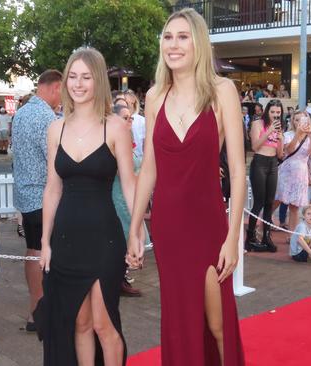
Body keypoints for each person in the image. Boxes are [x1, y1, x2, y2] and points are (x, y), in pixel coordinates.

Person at [127, 8, 246, 365]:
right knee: (179, 320)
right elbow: (149, 168)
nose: (173, 45)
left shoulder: (222, 91)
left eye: (182, 37)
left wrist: (232, 238)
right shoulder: (154, 97)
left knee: (217, 322)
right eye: (168, 37)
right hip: (168, 227)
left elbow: (238, 172)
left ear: (198, 43)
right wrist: (135, 228)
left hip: (208, 225)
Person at [35, 48, 138, 365]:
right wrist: (44, 242)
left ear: (98, 82)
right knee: (77, 323)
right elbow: (52, 188)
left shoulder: (116, 127)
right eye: (73, 77)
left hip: (104, 239)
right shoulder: (56, 129)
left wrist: (136, 232)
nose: (78, 84)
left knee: (102, 324)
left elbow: (130, 184)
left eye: (86, 77)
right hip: (65, 238)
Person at [11, 69, 62, 332]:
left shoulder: (21, 113)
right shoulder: (46, 117)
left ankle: (35, 311)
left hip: (25, 194)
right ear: (54, 87)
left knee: (32, 252)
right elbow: (56, 159)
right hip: (43, 195)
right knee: (41, 253)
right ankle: (41, 313)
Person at [112, 104, 147, 297]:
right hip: (118, 196)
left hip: (129, 195)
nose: (130, 121)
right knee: (122, 238)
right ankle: (119, 280)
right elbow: (122, 172)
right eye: (126, 117)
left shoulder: (129, 138)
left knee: (129, 237)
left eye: (131, 117)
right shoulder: (114, 139)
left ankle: (122, 278)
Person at [247, 99, 285, 252]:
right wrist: (269, 131)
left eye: (278, 113)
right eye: (273, 112)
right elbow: (255, 146)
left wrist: (281, 140)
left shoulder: (279, 127)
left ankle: (266, 237)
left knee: (270, 202)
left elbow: (280, 154)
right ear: (267, 111)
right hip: (260, 162)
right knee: (259, 202)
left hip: (273, 163)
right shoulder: (258, 124)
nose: (275, 115)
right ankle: (250, 238)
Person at [275, 111, 311, 231]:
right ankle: (261, 228)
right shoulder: (288, 134)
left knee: (295, 207)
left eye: (301, 120)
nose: (298, 122)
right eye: (296, 120)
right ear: (292, 121)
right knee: (276, 201)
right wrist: (297, 135)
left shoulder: (310, 136)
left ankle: (292, 236)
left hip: (301, 174)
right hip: (286, 172)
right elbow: (289, 150)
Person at [125, 89, 146, 159]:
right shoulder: (118, 121)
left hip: (139, 162)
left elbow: (146, 146)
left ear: (133, 99)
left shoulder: (142, 121)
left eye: (125, 98)